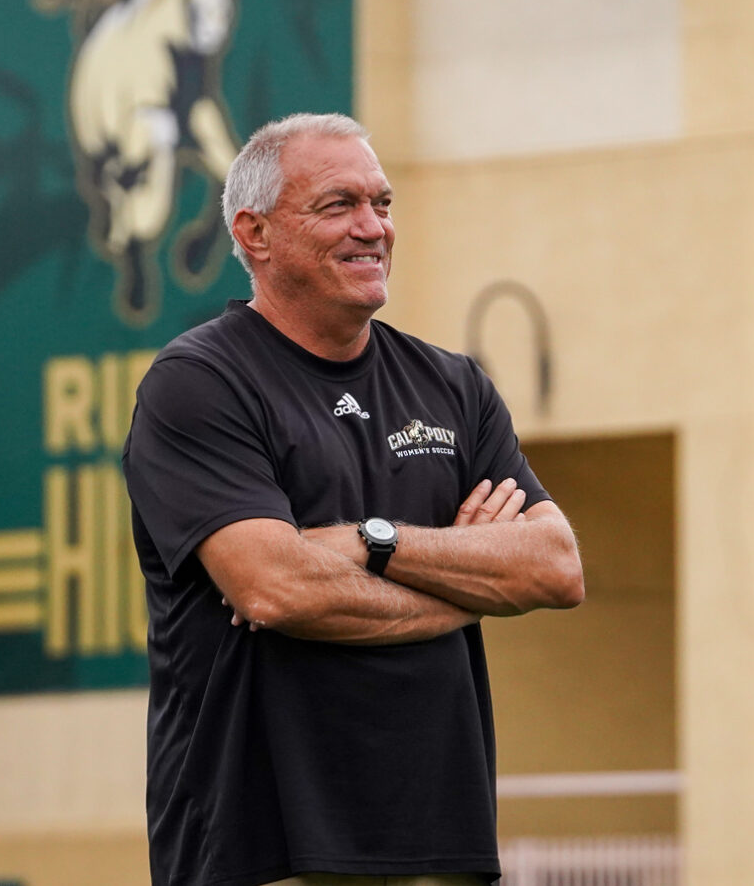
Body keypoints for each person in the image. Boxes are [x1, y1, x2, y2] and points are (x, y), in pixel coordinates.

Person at [122, 113, 584, 886]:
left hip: (441, 846)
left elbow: (554, 567)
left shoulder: (453, 387)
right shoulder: (200, 384)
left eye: (383, 202)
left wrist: (374, 541)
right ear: (255, 233)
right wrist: (468, 595)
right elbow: (276, 587)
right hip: (264, 849)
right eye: (338, 205)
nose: (372, 227)